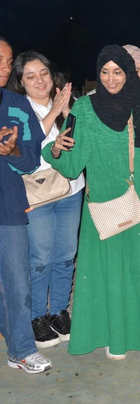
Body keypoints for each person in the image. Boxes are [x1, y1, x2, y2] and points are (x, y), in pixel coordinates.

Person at [43, 45, 140, 359]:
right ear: (98, 73)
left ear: (127, 72)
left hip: (137, 201)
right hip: (104, 204)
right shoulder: (85, 108)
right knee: (108, 274)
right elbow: (72, 164)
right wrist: (55, 150)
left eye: (118, 71)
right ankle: (113, 339)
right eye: (105, 72)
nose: (111, 79)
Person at [7, 51, 85, 349]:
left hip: (71, 188)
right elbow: (27, 148)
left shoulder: (68, 104)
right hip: (36, 191)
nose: (39, 80)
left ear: (52, 75)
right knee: (40, 258)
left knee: (65, 254)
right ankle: (38, 316)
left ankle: (59, 311)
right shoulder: (17, 108)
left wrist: (68, 112)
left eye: (43, 73)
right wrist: (54, 113)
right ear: (21, 82)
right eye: (30, 76)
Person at [1, 70, 50, 373]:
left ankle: (21, 349)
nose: (4, 66)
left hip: (8, 203)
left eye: (7, 60)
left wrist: (14, 150)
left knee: (18, 281)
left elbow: (32, 158)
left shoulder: (18, 104)